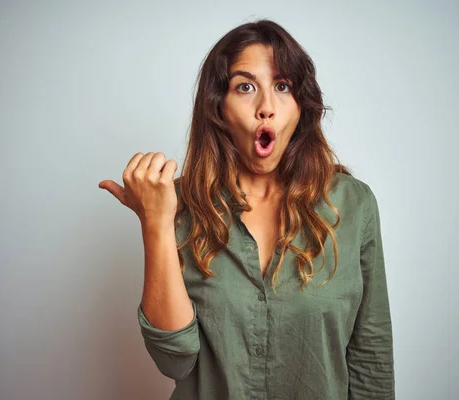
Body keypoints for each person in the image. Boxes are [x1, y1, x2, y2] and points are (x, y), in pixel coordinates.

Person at [99, 19, 395, 400]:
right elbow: (175, 360)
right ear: (218, 108)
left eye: (283, 86)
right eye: (245, 87)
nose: (266, 107)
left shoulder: (353, 205)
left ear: (301, 106)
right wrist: (155, 221)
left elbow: (371, 361)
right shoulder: (178, 206)